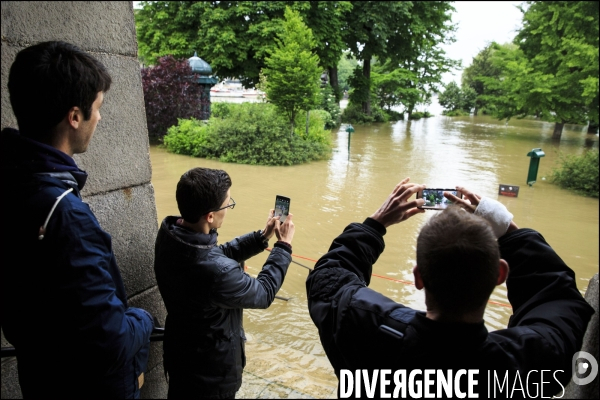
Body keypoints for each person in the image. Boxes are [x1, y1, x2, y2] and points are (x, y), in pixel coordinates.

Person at [306, 178, 594, 397]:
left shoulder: (360, 323)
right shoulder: (531, 362)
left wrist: (375, 224)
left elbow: (328, 277)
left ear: (418, 278)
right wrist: (506, 228)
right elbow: (560, 300)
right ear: (500, 275)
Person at [1, 41, 154, 399]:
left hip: (41, 374)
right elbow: (112, 341)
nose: (99, 118)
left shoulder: (12, 183)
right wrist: (143, 320)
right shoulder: (66, 215)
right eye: (97, 108)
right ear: (74, 117)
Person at [154, 167, 295, 399]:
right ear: (210, 216)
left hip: (181, 356)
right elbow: (264, 292)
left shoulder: (171, 235)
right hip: (210, 377)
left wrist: (261, 237)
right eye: (228, 204)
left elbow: (216, 255)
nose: (229, 209)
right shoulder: (216, 272)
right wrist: (283, 246)